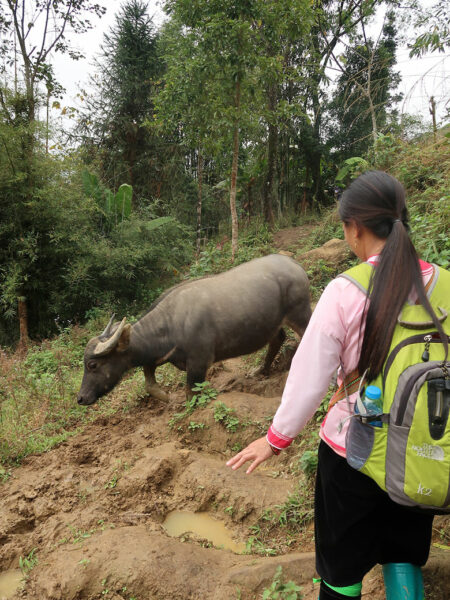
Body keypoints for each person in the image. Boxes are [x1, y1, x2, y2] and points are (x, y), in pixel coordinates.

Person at [226, 170, 447, 600]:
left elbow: (310, 375)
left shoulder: (345, 290)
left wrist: (275, 439)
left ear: (355, 228)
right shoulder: (447, 284)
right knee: (403, 553)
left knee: (342, 569)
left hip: (354, 458)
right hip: (421, 451)